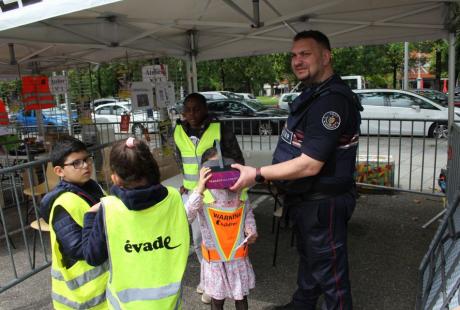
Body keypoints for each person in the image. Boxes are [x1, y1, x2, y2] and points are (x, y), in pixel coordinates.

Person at [230, 30, 362, 310]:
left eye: (305, 54)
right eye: (294, 55)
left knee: (331, 275)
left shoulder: (332, 102)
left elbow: (310, 164)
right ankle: (302, 305)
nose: (297, 61)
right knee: (311, 258)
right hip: (306, 201)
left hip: (323, 203)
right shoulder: (315, 93)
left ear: (326, 57)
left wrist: (257, 173)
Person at [82, 137, 190, 309]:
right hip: (168, 302)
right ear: (153, 169)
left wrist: (89, 216)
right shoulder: (174, 198)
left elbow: (92, 256)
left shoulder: (109, 209)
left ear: (115, 178)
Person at [173, 92, 244, 303]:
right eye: (187, 109)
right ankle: (208, 281)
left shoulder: (220, 127)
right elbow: (179, 159)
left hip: (219, 193)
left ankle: (225, 279)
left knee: (219, 238)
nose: (192, 114)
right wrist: (187, 183)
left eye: (196, 109)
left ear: (205, 109)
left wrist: (235, 187)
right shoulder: (177, 131)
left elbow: (236, 159)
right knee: (197, 239)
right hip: (194, 193)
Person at [39, 137, 108, 309]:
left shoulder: (94, 188)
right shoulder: (63, 204)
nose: (85, 166)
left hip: (104, 291)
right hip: (81, 298)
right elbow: (78, 249)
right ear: (59, 171)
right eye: (76, 163)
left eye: (86, 159)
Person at [185, 147, 257, 310]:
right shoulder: (202, 195)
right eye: (214, 167)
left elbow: (247, 211)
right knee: (217, 301)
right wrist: (199, 190)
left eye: (225, 166)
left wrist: (250, 228)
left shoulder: (239, 190)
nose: (221, 172)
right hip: (215, 263)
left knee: (241, 298)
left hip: (237, 259)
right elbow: (186, 217)